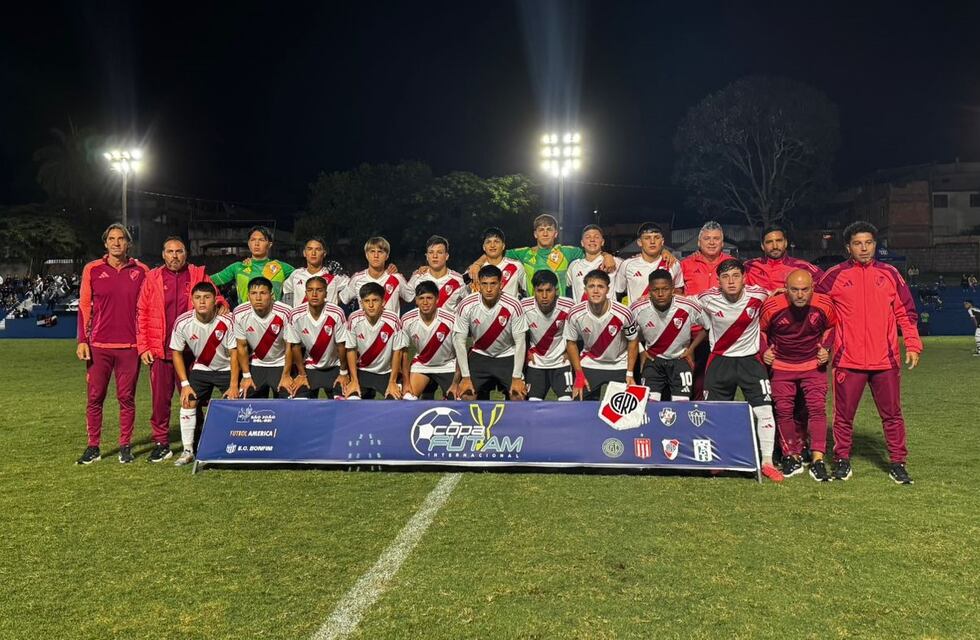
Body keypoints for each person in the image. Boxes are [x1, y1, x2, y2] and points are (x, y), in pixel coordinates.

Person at [817, 221, 922, 484]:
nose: (864, 249)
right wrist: (825, 344)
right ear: (848, 247)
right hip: (847, 360)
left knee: (892, 415)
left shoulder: (890, 274)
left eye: (869, 243)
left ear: (876, 244)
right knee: (843, 416)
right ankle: (842, 460)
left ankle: (898, 462)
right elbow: (817, 310)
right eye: (857, 243)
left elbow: (905, 312)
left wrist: (913, 343)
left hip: (884, 360)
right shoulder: (834, 275)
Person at [137, 236, 227, 463]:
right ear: (163, 254)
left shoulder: (197, 274)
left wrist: (224, 305)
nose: (174, 256)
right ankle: (161, 443)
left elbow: (215, 296)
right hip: (161, 349)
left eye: (179, 251)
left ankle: (195, 441)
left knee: (192, 397)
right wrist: (143, 346)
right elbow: (142, 312)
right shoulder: (153, 278)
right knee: (160, 400)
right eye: (170, 251)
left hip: (192, 351)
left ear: (186, 254)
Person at [698, 259, 783, 482]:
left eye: (736, 275)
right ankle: (718, 460)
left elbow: (778, 297)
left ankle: (767, 462)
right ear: (718, 282)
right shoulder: (707, 298)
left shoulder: (759, 294)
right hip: (720, 363)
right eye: (725, 277)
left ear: (744, 277)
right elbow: (683, 304)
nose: (731, 281)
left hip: (750, 362)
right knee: (715, 414)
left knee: (763, 411)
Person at [75, 223, 149, 465]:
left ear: (128, 243)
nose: (117, 243)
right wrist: (82, 340)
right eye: (112, 239)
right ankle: (93, 446)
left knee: (126, 398)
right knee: (95, 398)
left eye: (121, 239)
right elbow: (85, 307)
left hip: (130, 347)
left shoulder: (142, 271)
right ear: (105, 243)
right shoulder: (92, 269)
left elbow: (148, 308)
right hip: (99, 346)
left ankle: (125, 446)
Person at [760, 270, 836, 481]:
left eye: (805, 290)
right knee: (784, 411)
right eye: (794, 290)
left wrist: (826, 348)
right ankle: (790, 455)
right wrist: (764, 350)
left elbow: (832, 326)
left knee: (817, 409)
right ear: (786, 289)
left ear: (813, 288)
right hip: (782, 366)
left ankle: (818, 458)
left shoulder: (824, 304)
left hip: (813, 366)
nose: (800, 295)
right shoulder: (772, 306)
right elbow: (761, 330)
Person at [169, 283, 239, 466]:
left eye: (207, 297)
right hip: (202, 368)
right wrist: (185, 385)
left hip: (227, 369)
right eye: (198, 297)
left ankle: (234, 447)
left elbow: (234, 354)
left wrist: (233, 386)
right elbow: (176, 352)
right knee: (188, 401)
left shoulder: (228, 320)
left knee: (236, 404)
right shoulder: (183, 322)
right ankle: (187, 450)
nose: (202, 301)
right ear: (191, 300)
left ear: (215, 300)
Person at [470, 214, 616, 297]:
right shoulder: (524, 253)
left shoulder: (567, 251)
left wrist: (606, 255)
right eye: (541, 230)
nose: (545, 233)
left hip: (560, 312)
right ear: (535, 234)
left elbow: (591, 249)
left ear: (556, 233)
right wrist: (477, 264)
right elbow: (494, 251)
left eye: (549, 229)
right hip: (533, 310)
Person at [454, 264, 529, 400]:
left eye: (493, 284)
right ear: (478, 284)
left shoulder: (514, 305)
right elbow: (459, 341)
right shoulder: (466, 305)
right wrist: (465, 377)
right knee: (466, 396)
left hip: (507, 355)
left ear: (501, 284)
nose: (489, 289)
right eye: (484, 284)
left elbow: (520, 342)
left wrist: (517, 377)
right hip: (480, 355)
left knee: (518, 396)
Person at [631, 269, 705, 401]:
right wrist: (641, 351)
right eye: (655, 290)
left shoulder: (688, 306)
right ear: (649, 290)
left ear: (672, 289)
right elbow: (627, 331)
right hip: (653, 360)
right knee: (650, 405)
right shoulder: (638, 308)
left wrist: (691, 349)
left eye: (665, 289)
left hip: (680, 360)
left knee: (681, 405)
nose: (660, 294)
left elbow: (707, 327)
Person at [564, 270, 639, 401]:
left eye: (601, 286)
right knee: (578, 403)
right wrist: (579, 374)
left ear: (608, 290)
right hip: (590, 363)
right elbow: (571, 343)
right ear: (585, 289)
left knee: (620, 412)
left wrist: (630, 372)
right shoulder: (575, 313)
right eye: (591, 286)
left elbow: (633, 340)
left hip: (619, 364)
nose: (596, 291)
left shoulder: (623, 312)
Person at [680, 221, 733, 401]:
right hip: (694, 333)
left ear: (722, 242)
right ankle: (694, 417)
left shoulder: (732, 265)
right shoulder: (685, 264)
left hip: (724, 332)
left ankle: (721, 418)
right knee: (694, 379)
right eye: (707, 238)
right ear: (699, 242)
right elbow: (675, 294)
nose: (711, 242)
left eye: (716, 239)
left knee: (723, 380)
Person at [286, 276, 350, 398]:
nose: (314, 294)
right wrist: (301, 374)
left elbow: (342, 345)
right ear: (305, 293)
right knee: (300, 401)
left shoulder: (336, 313)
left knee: (341, 402)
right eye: (310, 290)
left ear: (326, 293)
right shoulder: (295, 315)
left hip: (334, 367)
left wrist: (343, 372)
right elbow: (295, 346)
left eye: (319, 290)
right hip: (309, 367)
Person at [234, 277, 294, 399]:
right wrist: (246, 376)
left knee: (289, 401)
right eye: (253, 293)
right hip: (256, 364)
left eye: (263, 293)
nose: (258, 298)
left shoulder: (286, 312)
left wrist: (286, 375)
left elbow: (290, 346)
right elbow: (241, 346)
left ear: (271, 295)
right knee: (245, 400)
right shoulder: (239, 313)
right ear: (248, 295)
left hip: (281, 363)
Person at [399, 281, 459, 400]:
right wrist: (406, 382)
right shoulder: (407, 319)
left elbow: (461, 352)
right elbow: (404, 351)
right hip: (422, 365)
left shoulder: (451, 320)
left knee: (458, 400)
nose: (425, 302)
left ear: (437, 299)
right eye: (421, 298)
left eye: (429, 298)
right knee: (407, 398)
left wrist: (456, 382)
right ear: (416, 300)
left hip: (448, 365)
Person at [344, 282, 405, 399]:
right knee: (352, 400)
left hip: (386, 373)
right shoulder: (353, 319)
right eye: (367, 301)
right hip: (362, 371)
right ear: (361, 303)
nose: (371, 305)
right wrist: (354, 380)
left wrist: (392, 381)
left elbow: (397, 352)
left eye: (375, 300)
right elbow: (351, 350)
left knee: (394, 402)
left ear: (383, 302)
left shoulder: (393, 320)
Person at [521, 270, 575, 400]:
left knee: (567, 404)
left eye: (548, 290)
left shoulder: (569, 306)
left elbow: (579, 334)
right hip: (536, 364)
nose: (544, 296)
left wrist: (570, 351)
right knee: (533, 405)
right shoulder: (523, 307)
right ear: (534, 291)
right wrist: (526, 352)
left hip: (562, 363)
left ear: (556, 290)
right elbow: (518, 335)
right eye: (540, 291)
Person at [210, 226, 295, 304]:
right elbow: (207, 281)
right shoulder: (237, 267)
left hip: (274, 318)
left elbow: (305, 278)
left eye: (261, 240)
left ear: (269, 244)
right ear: (248, 243)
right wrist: (220, 303)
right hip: (244, 318)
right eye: (253, 240)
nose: (256, 243)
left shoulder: (282, 267)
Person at [616, 222, 685, 304]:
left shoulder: (673, 264)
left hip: (665, 316)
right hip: (637, 315)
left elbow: (679, 292)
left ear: (662, 241)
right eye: (647, 238)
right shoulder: (627, 265)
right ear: (639, 242)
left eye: (657, 237)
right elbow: (618, 293)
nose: (652, 241)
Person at [340, 237, 413, 315]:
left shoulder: (396, 278)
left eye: (380, 252)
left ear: (387, 256)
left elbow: (412, 297)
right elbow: (342, 299)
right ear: (366, 255)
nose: (376, 255)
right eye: (372, 251)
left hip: (390, 327)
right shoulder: (357, 279)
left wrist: (423, 270)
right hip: (365, 327)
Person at [744, 225, 823, 293]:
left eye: (779, 241)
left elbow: (826, 286)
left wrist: (791, 294)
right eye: (769, 242)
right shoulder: (749, 266)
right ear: (762, 246)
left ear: (785, 243)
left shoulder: (802, 267)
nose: (775, 246)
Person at [405, 235, 467, 312]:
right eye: (431, 252)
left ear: (447, 256)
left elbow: (468, 307)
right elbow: (406, 297)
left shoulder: (458, 280)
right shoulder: (418, 277)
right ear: (427, 256)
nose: (435, 256)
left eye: (439, 252)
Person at [282, 237, 349, 307]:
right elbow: (287, 292)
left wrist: (337, 299)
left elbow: (352, 288)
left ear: (324, 253)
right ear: (304, 253)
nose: (313, 253)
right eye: (310, 249)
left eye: (318, 249)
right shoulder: (296, 274)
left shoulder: (334, 275)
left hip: (327, 317)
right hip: (300, 317)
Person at [463, 227, 526, 298]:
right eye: (488, 242)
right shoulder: (474, 269)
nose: (492, 245)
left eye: (496, 241)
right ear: (484, 247)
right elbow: (463, 293)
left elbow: (528, 290)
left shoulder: (516, 266)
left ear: (503, 246)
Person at [567, 225, 622, 302]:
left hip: (608, 313)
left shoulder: (615, 262)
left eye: (596, 237)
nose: (592, 239)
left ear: (602, 242)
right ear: (582, 243)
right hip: (582, 313)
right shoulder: (574, 266)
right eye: (587, 237)